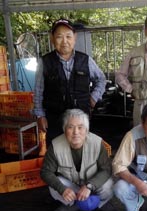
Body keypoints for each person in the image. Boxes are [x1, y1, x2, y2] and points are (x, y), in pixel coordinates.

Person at [33, 18, 106, 146]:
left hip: (80, 120)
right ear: (52, 38)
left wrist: (94, 97)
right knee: (56, 152)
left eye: (68, 36)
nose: (64, 41)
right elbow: (38, 90)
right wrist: (40, 115)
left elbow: (101, 78)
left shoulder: (85, 60)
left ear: (74, 38)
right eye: (59, 37)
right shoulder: (45, 62)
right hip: (54, 119)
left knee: (81, 152)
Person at [40, 108, 119, 211]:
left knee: (108, 184)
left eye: (80, 127)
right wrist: (63, 189)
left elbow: (106, 169)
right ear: (64, 129)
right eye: (70, 127)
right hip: (72, 186)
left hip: (93, 186)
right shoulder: (55, 146)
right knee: (54, 186)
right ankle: (71, 205)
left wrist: (89, 186)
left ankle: (102, 204)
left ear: (86, 130)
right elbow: (45, 172)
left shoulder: (97, 143)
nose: (76, 132)